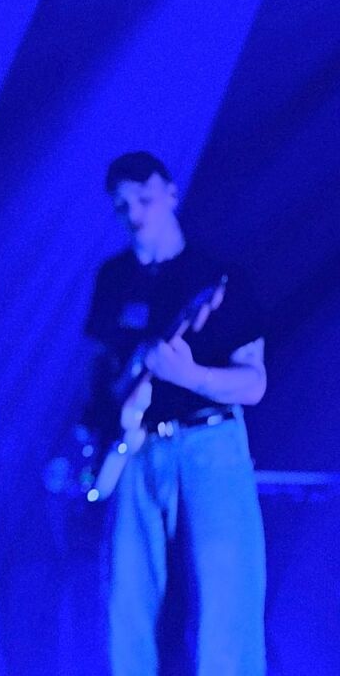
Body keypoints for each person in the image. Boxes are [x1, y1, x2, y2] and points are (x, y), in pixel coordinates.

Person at [83, 152, 267, 676]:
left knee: (225, 598)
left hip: (208, 443)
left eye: (143, 198)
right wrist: (98, 422)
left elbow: (254, 383)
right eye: (121, 204)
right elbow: (100, 369)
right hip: (136, 448)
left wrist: (193, 377)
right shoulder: (113, 278)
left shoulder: (217, 275)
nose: (134, 212)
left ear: (171, 192)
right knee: (127, 601)